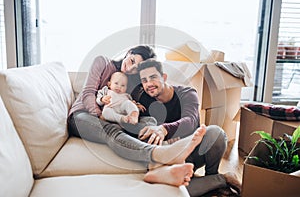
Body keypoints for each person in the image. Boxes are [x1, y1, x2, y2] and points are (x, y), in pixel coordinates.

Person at [67, 45, 205, 187]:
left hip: (114, 118)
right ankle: (161, 155)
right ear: (128, 53)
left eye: (135, 68)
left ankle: (160, 170)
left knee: (149, 122)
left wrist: (135, 107)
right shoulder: (103, 62)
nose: (129, 68)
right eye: (132, 61)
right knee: (111, 131)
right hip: (82, 117)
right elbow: (88, 93)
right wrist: (101, 115)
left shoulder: (132, 81)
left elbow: (127, 103)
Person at [132, 59, 242, 196]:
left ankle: (211, 175)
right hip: (169, 161)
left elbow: (190, 120)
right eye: (144, 80)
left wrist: (164, 129)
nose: (149, 84)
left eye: (153, 77)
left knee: (216, 133)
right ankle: (219, 181)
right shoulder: (144, 100)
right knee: (168, 191)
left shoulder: (187, 93)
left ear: (164, 77)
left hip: (192, 153)